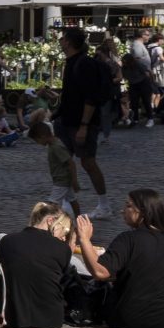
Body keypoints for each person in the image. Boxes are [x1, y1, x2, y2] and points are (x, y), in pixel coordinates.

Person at [74, 188, 164, 328]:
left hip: (129, 320)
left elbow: (100, 272)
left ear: (142, 211)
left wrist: (84, 239)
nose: (123, 211)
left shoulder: (129, 239)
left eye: (128, 206)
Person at [0, 203, 78, 328]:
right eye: (66, 230)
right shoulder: (63, 249)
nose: (64, 237)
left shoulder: (7, 240)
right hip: (50, 318)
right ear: (50, 221)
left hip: (11, 316)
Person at [56, 27, 112, 219]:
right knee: (64, 161)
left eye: (63, 38)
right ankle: (67, 202)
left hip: (80, 123)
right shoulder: (72, 62)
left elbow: (90, 98)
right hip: (67, 121)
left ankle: (104, 205)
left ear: (69, 42)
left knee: (88, 162)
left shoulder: (84, 64)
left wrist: (84, 126)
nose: (60, 41)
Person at [29, 121, 78, 216]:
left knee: (52, 203)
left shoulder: (56, 147)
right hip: (63, 179)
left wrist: (75, 181)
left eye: (37, 140)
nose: (38, 143)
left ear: (42, 136)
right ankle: (78, 219)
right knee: (72, 200)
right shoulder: (54, 144)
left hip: (62, 180)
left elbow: (71, 163)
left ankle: (46, 223)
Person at [123, 28, 153, 127]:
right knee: (142, 100)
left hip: (140, 77)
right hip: (140, 77)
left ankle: (143, 118)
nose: (149, 37)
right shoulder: (137, 45)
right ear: (142, 35)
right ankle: (141, 119)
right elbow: (137, 60)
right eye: (147, 35)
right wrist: (147, 71)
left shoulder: (139, 45)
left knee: (143, 100)